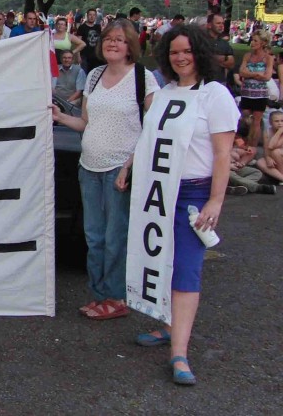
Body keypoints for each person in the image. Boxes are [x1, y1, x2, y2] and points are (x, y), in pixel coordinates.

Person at [128, 24, 238, 386]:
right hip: (158, 190)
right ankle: (168, 326)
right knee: (159, 259)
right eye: (174, 51)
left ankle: (180, 353)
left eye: (187, 51)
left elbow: (223, 155)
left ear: (200, 53)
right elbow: (149, 139)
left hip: (193, 193)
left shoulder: (215, 95)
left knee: (187, 270)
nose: (181, 57)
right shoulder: (163, 93)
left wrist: (216, 200)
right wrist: (130, 168)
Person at [51, 19, 157, 320]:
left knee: (115, 237)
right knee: (93, 236)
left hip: (119, 170)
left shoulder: (142, 78)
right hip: (89, 168)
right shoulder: (95, 75)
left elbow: (154, 127)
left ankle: (116, 297)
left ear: (131, 46)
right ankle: (100, 295)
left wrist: (129, 166)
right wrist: (61, 117)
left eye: (120, 40)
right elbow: (86, 123)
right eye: (109, 38)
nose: (112, 43)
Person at [238, 29, 273, 148]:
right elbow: (241, 72)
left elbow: (267, 76)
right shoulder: (247, 56)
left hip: (260, 94)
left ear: (263, 43)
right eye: (252, 40)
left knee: (257, 121)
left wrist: (250, 73)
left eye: (255, 40)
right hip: (247, 92)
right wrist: (256, 75)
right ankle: (244, 141)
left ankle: (251, 147)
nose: (252, 42)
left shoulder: (268, 58)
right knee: (245, 115)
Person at [205, 14, 235, 87]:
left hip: (220, 83)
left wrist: (212, 57)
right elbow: (201, 59)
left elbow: (231, 63)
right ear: (209, 25)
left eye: (222, 23)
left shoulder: (224, 44)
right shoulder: (201, 41)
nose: (221, 26)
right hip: (203, 82)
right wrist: (224, 58)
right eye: (218, 23)